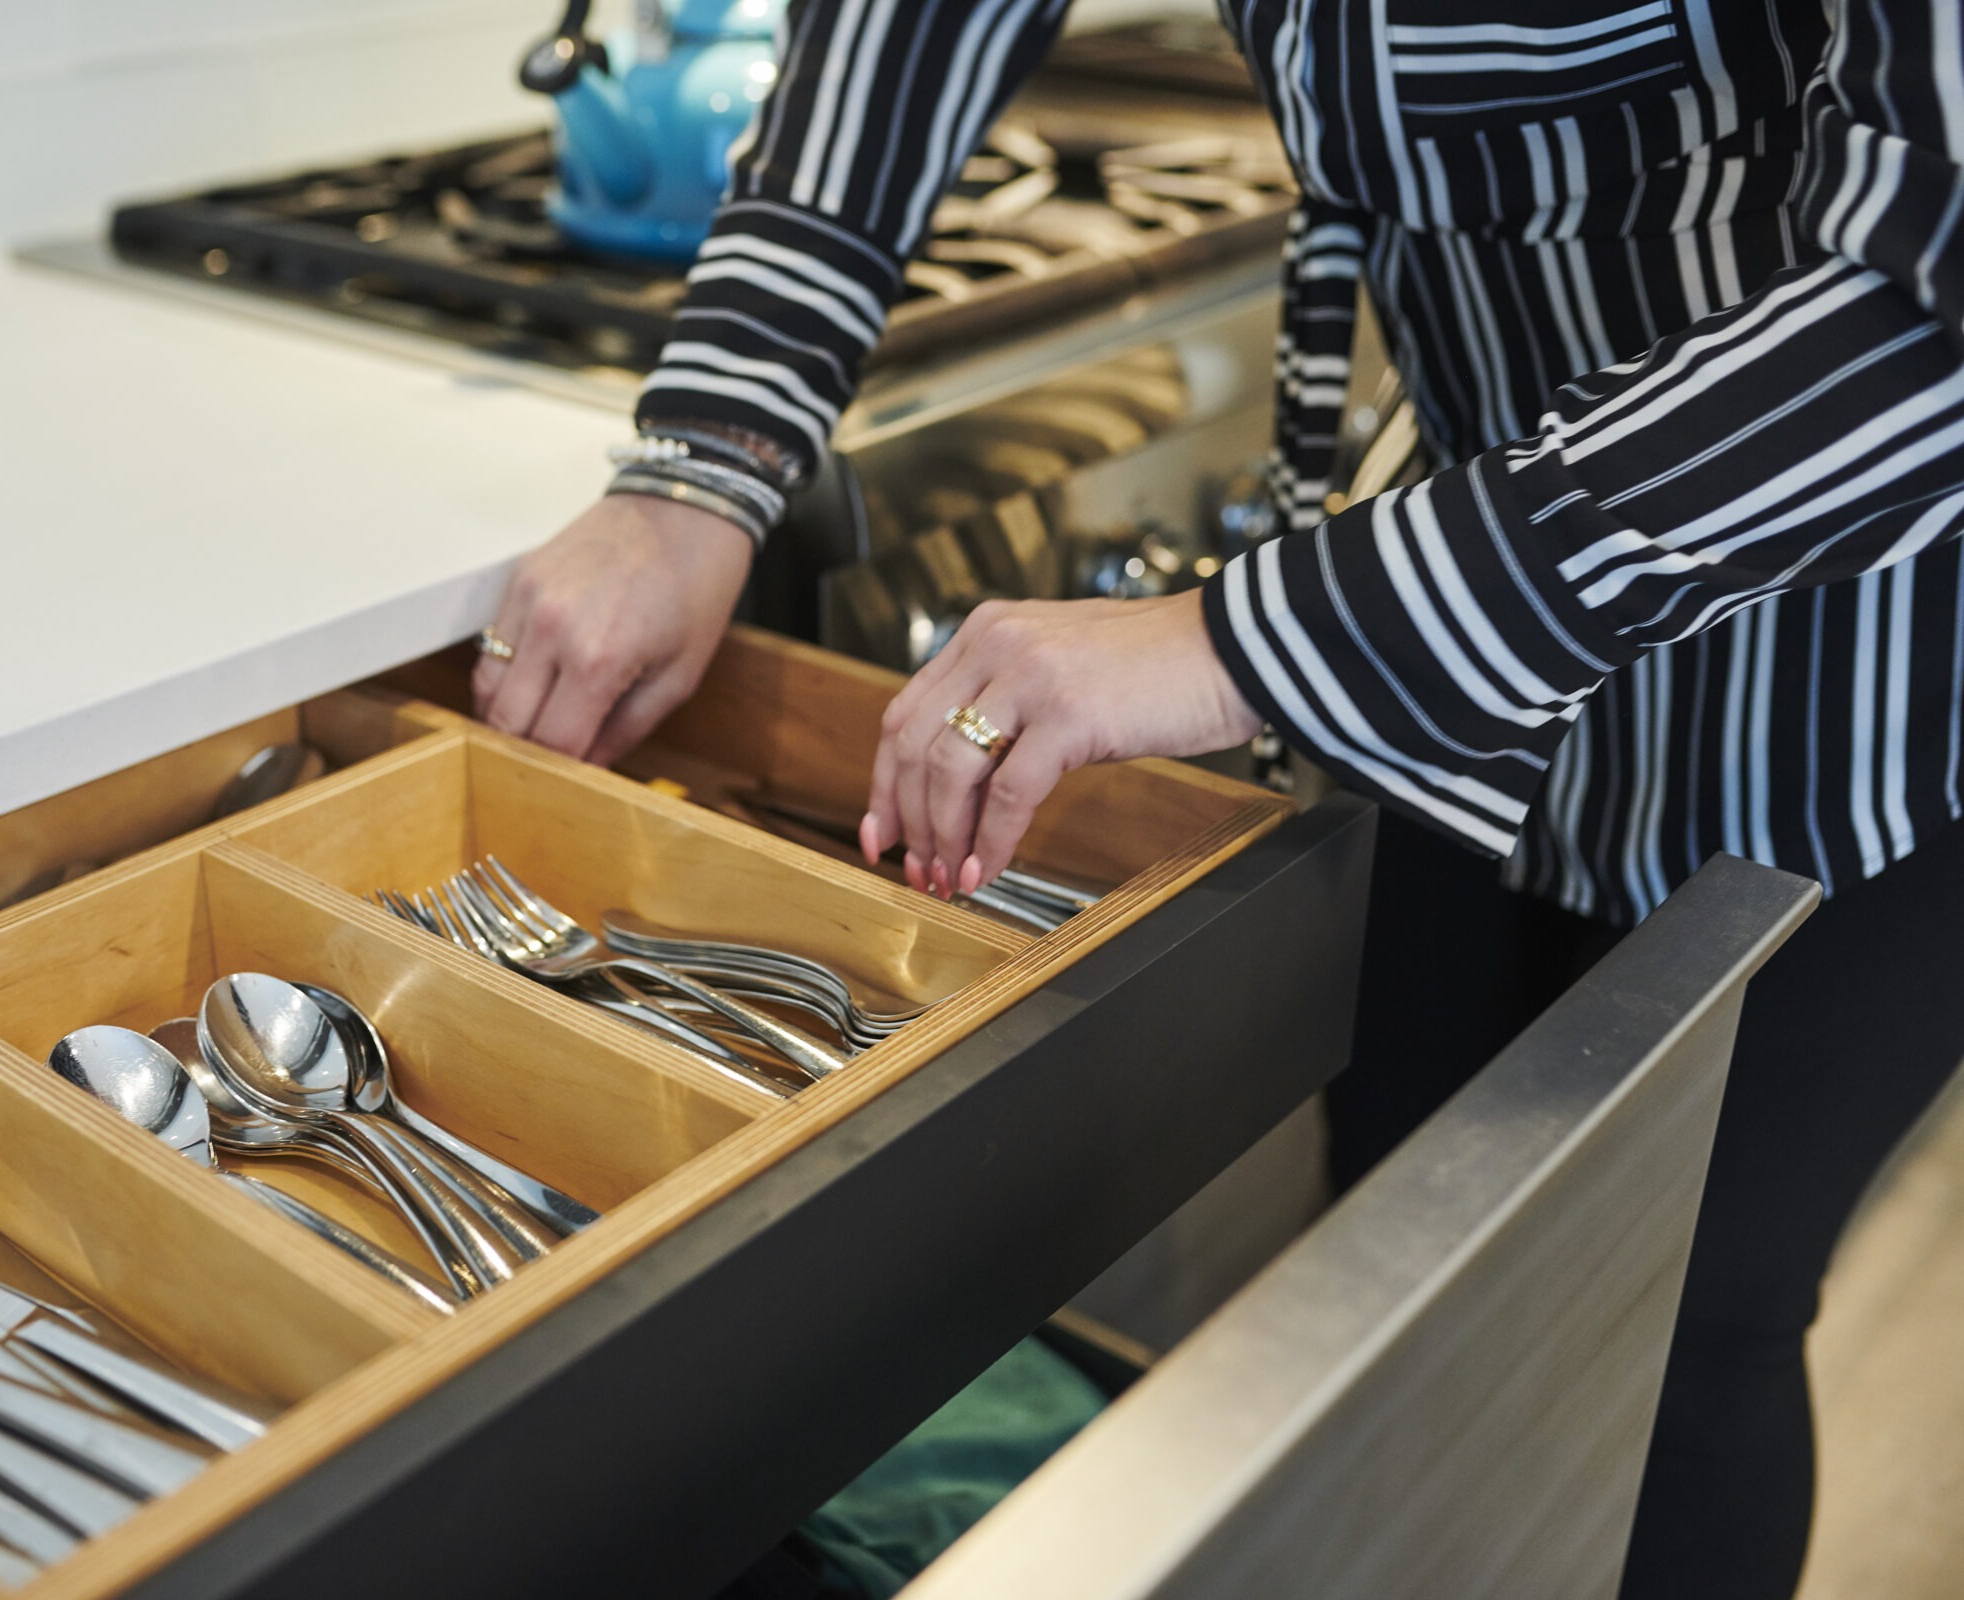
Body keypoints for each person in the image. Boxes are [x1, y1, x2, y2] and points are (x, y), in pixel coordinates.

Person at [471, 1, 1964, 1593]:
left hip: (1854, 647)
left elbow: (1927, 316)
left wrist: (1243, 640)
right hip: (1448, 615)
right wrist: (710, 450)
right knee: (1410, 1250)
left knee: (1687, 1318)